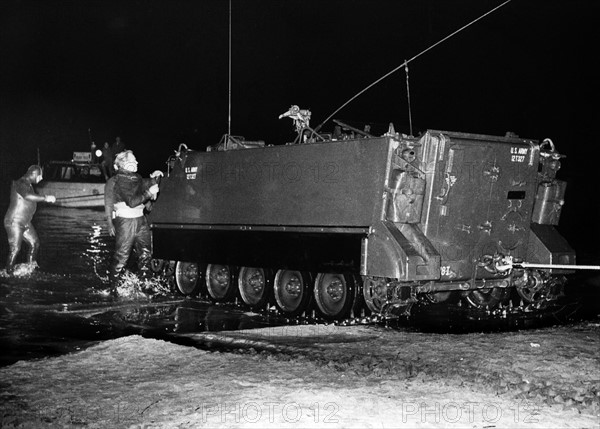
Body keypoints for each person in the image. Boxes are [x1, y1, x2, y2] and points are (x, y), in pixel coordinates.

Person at [106, 150, 162, 290]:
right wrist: (149, 193)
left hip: (140, 219)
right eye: (134, 160)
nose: (137, 162)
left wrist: (155, 177)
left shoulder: (134, 177)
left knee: (146, 253)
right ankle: (113, 288)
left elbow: (143, 183)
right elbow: (132, 201)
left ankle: (144, 284)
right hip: (126, 221)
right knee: (122, 257)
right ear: (124, 163)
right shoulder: (119, 180)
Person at [3, 165, 56, 273]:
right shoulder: (20, 183)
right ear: (34, 174)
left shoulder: (29, 185)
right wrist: (45, 198)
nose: (41, 179)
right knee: (15, 249)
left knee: (35, 243)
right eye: (40, 176)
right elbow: (27, 196)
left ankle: (30, 269)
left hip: (25, 222)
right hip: (14, 222)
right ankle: (8, 275)